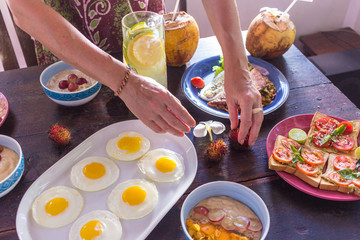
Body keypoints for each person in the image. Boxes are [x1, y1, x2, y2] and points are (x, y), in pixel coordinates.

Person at [7, 0, 263, 146]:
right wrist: (126, 83)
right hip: (72, 59)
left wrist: (238, 66)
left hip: (145, 38)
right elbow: (23, 8)